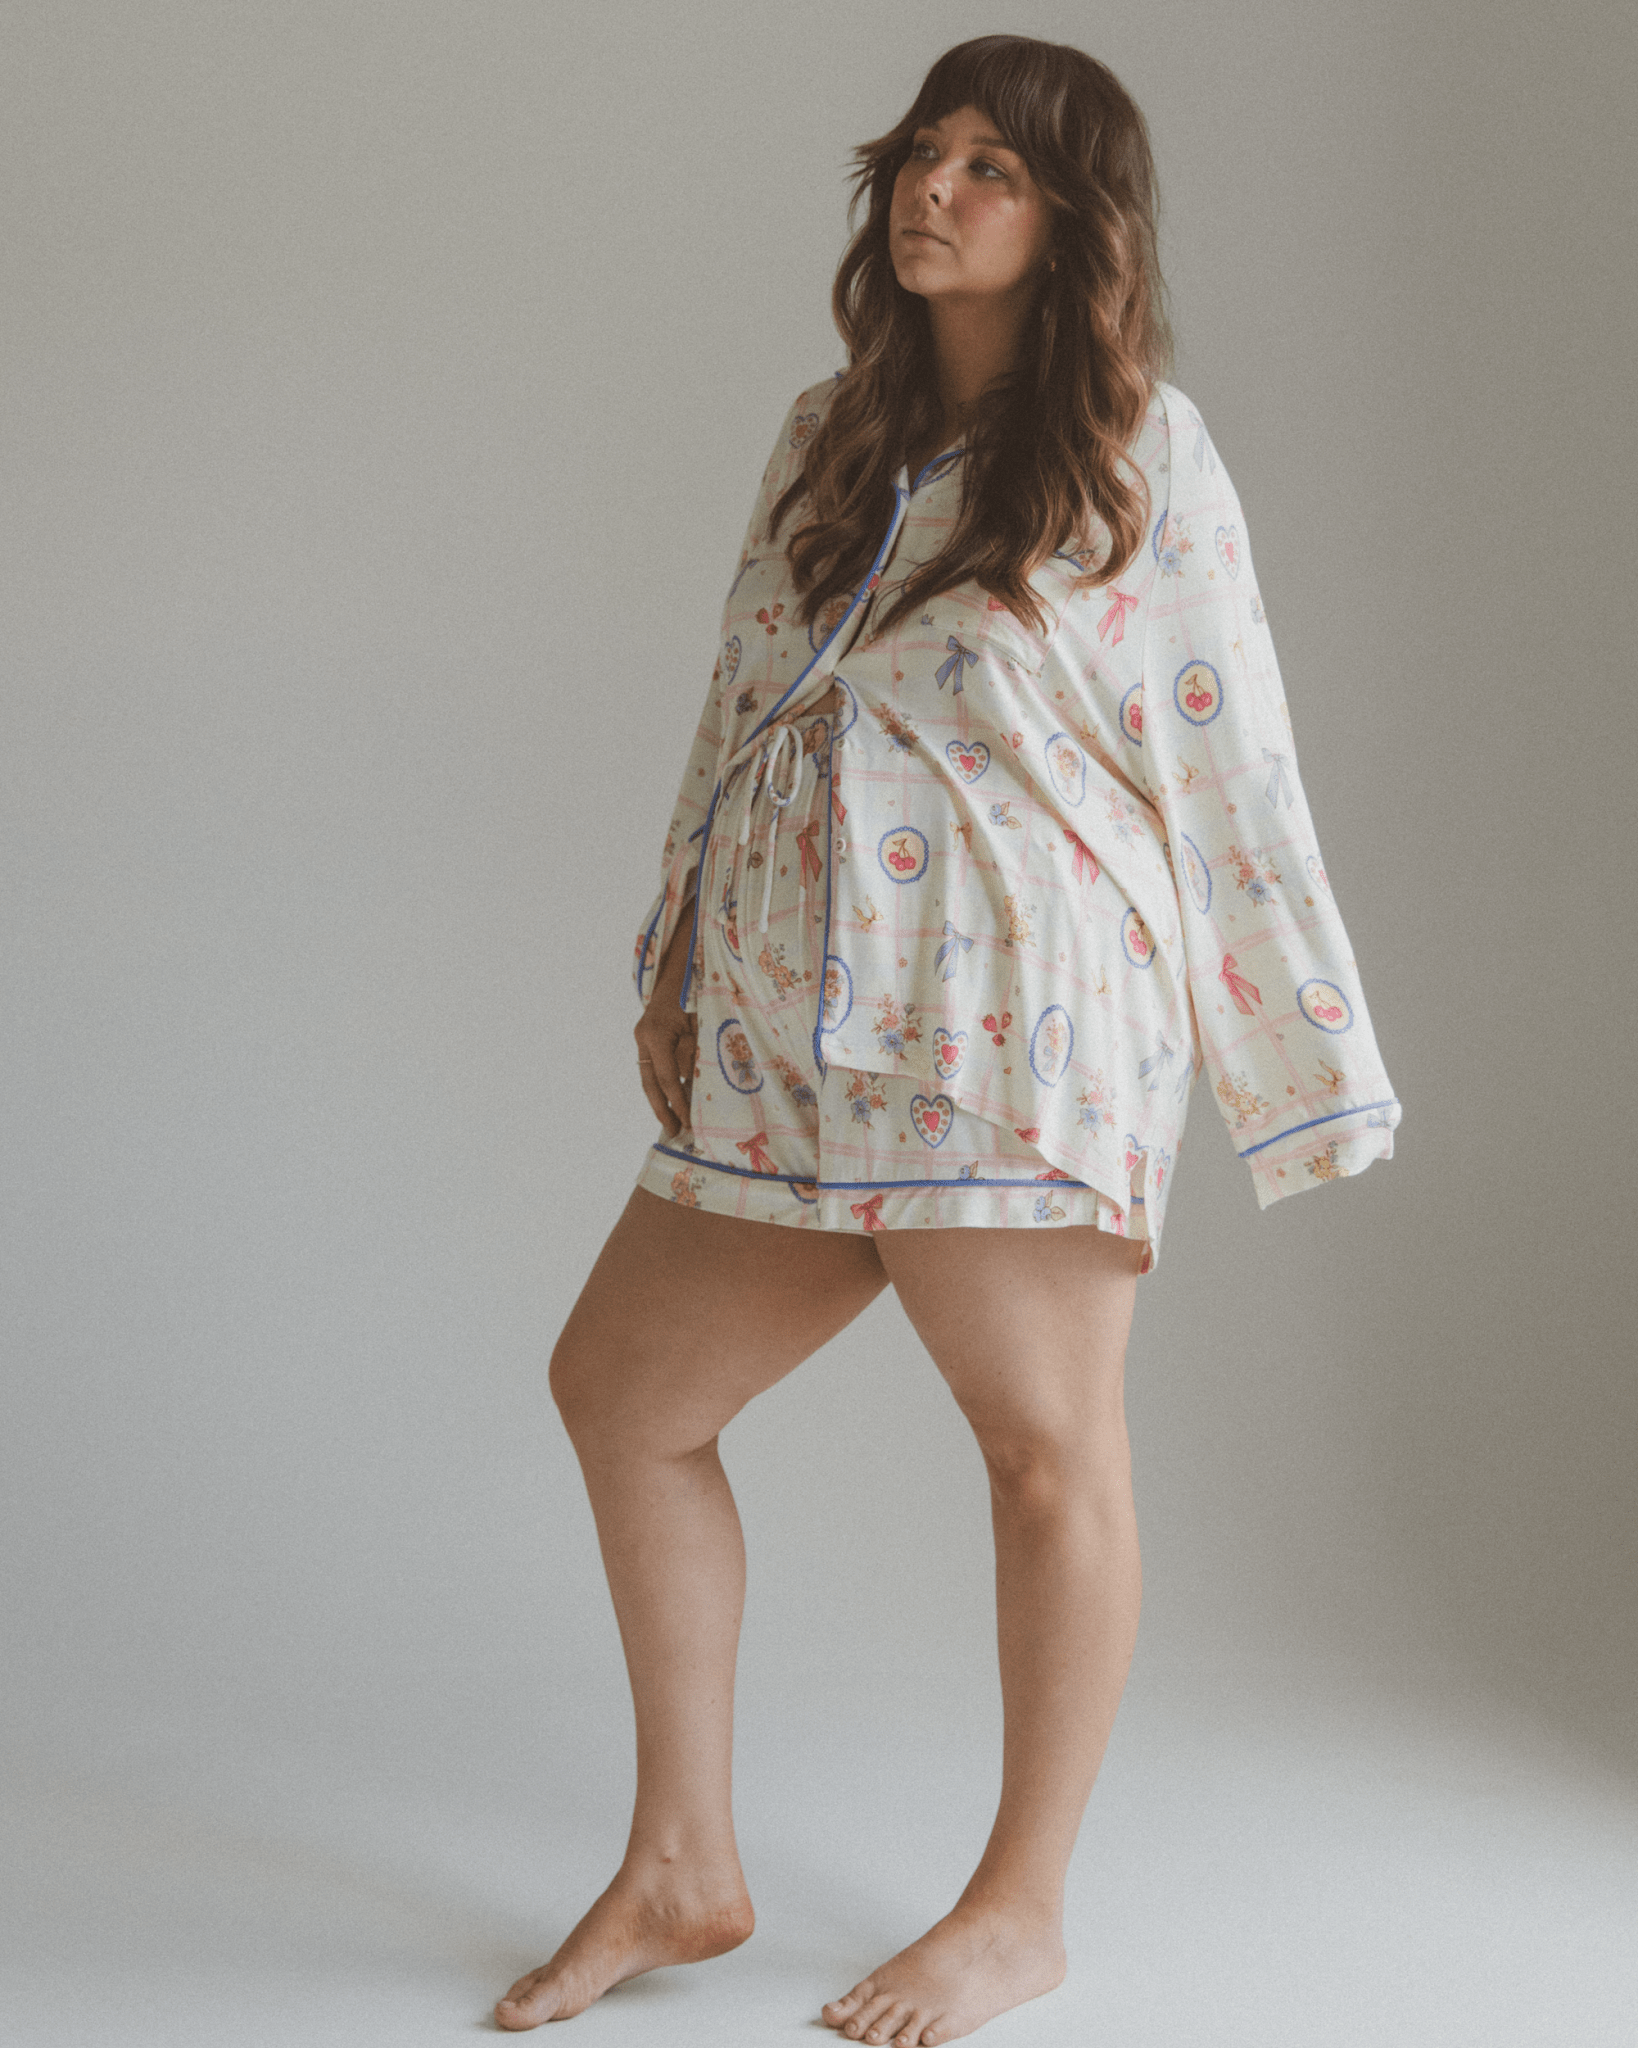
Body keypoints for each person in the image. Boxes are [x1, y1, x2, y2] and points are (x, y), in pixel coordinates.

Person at [496, 33, 1400, 2047]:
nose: (937, 186)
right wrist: (675, 953)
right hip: (791, 1016)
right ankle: (681, 1865)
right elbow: (738, 694)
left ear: (1072, 222)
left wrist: (1301, 1077)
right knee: (622, 1394)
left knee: (1043, 1453)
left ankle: (1017, 1908)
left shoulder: (1138, 449)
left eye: (992, 166)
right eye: (925, 150)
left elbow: (1232, 763)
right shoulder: (827, 434)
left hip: (1017, 1019)